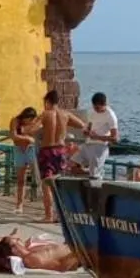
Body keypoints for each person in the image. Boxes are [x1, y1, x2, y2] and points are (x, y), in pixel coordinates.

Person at [36, 90, 88, 224]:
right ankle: (61, 214)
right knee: (59, 184)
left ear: (47, 101)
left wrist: (24, 130)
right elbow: (82, 125)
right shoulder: (66, 114)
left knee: (46, 184)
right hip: (60, 151)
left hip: (47, 151)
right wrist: (64, 124)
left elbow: (32, 129)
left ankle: (49, 215)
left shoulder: (45, 114)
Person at [73, 91, 119, 184]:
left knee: (94, 177)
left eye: (98, 107)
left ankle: (96, 175)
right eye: (94, 107)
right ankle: (93, 173)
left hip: (99, 147)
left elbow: (115, 138)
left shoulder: (110, 115)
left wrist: (97, 137)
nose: (96, 109)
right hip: (88, 144)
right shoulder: (92, 112)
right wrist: (86, 131)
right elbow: (89, 126)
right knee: (73, 165)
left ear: (104, 104)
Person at [0, 233, 79, 273]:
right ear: (13, 250)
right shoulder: (31, 259)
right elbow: (61, 267)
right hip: (81, 253)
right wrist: (80, 252)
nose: (18, 238)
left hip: (75, 246)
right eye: (15, 240)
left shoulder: (31, 250)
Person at [9, 108, 39, 213]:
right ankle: (19, 205)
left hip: (31, 149)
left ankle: (46, 205)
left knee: (39, 177)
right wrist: (28, 138)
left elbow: (36, 138)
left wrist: (25, 137)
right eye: (29, 120)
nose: (30, 122)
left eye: (32, 120)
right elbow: (13, 136)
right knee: (21, 179)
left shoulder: (35, 122)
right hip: (19, 150)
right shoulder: (15, 121)